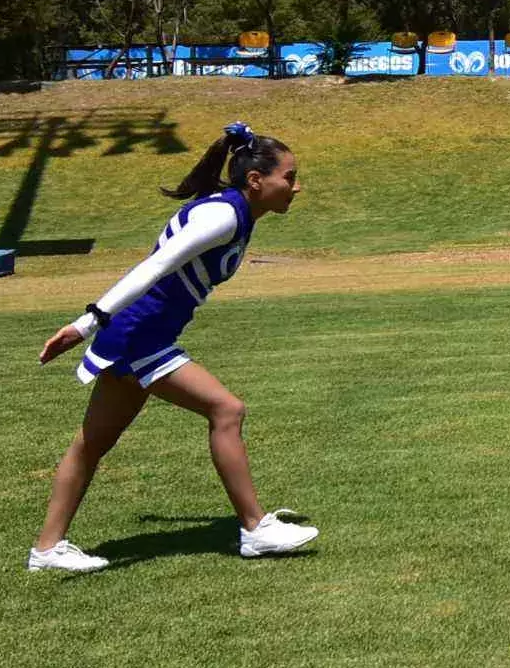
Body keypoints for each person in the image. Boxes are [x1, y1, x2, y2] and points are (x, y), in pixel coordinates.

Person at [27, 123, 318, 572]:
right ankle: (255, 529)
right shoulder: (224, 215)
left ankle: (46, 550)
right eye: (290, 176)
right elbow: (156, 265)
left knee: (91, 444)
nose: (296, 186)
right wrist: (87, 323)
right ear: (256, 180)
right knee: (227, 410)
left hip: (143, 333)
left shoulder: (235, 211)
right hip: (140, 332)